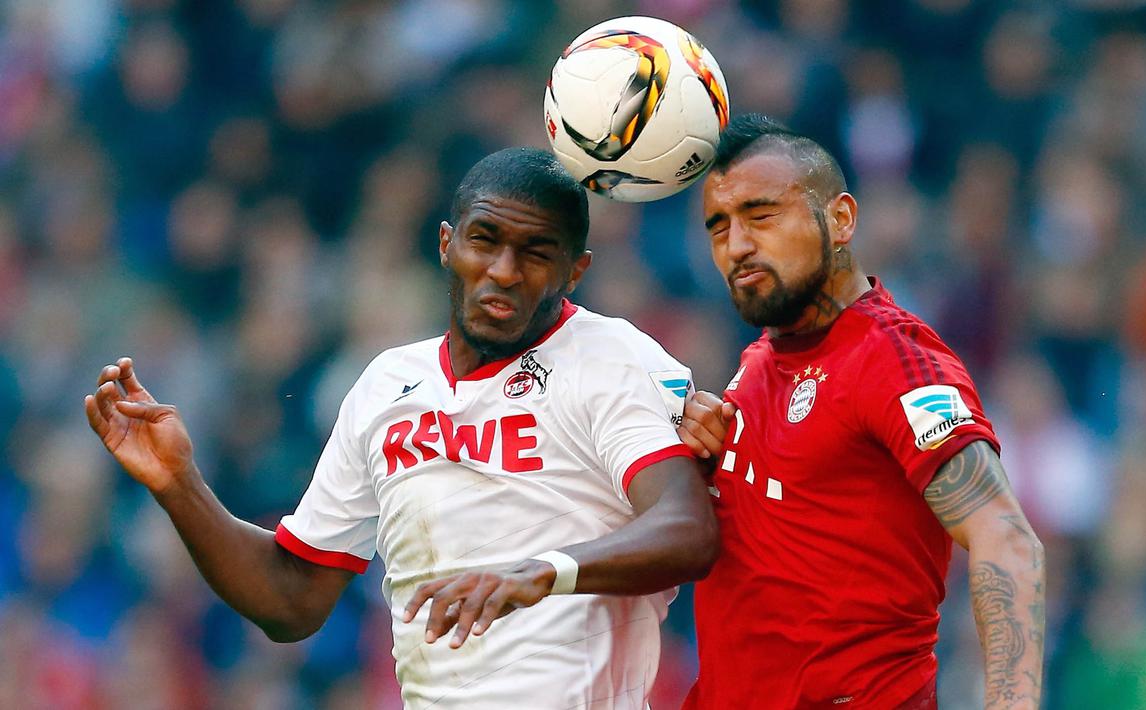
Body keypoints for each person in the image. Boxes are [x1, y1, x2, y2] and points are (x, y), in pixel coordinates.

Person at [84, 147, 718, 709]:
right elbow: (291, 600)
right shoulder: (387, 385)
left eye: (534, 253)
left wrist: (542, 571)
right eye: (484, 239)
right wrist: (178, 484)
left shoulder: (610, 359)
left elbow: (686, 529)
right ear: (447, 243)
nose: (501, 269)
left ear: (574, 270)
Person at [675, 115, 1045, 709]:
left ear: (841, 219)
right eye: (719, 227)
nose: (737, 245)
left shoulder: (895, 360)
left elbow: (1007, 539)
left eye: (762, 215)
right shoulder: (757, 364)